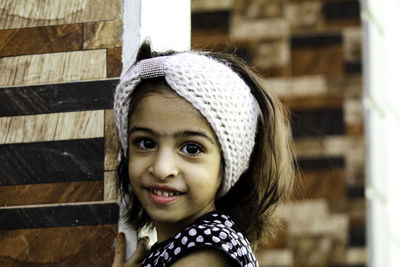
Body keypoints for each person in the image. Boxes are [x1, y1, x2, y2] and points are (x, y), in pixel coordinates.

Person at [112, 40, 296, 267]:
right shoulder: (185, 246)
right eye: (146, 143)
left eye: (191, 149)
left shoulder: (207, 253)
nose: (161, 168)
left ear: (226, 165)